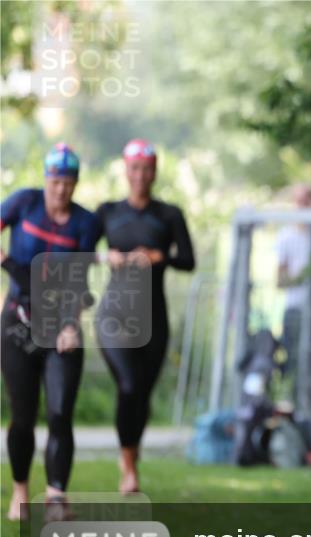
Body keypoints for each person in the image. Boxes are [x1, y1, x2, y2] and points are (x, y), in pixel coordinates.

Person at [1, 143, 101, 520]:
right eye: (56, 181)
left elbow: (79, 279)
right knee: (23, 415)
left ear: (76, 184)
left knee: (60, 412)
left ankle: (56, 497)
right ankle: (20, 491)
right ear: (46, 179)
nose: (61, 189)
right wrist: (7, 261)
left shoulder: (85, 223)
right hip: (18, 323)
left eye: (68, 183)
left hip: (61, 327)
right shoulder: (23, 203)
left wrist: (71, 325)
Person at [95, 139, 195, 494]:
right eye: (135, 168)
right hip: (115, 315)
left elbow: (188, 260)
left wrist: (158, 257)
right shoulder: (108, 212)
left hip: (154, 318)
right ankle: (128, 468)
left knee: (141, 394)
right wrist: (107, 257)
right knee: (128, 385)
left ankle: (131, 454)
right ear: (126, 170)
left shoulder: (169, 215)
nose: (141, 175)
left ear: (155, 173)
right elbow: (80, 250)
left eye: (147, 169)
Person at [276, 184, 311, 411]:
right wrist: (303, 277)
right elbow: (279, 280)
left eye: (308, 200)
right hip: (295, 309)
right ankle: (294, 409)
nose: (304, 206)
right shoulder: (286, 236)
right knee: (293, 362)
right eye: (299, 202)